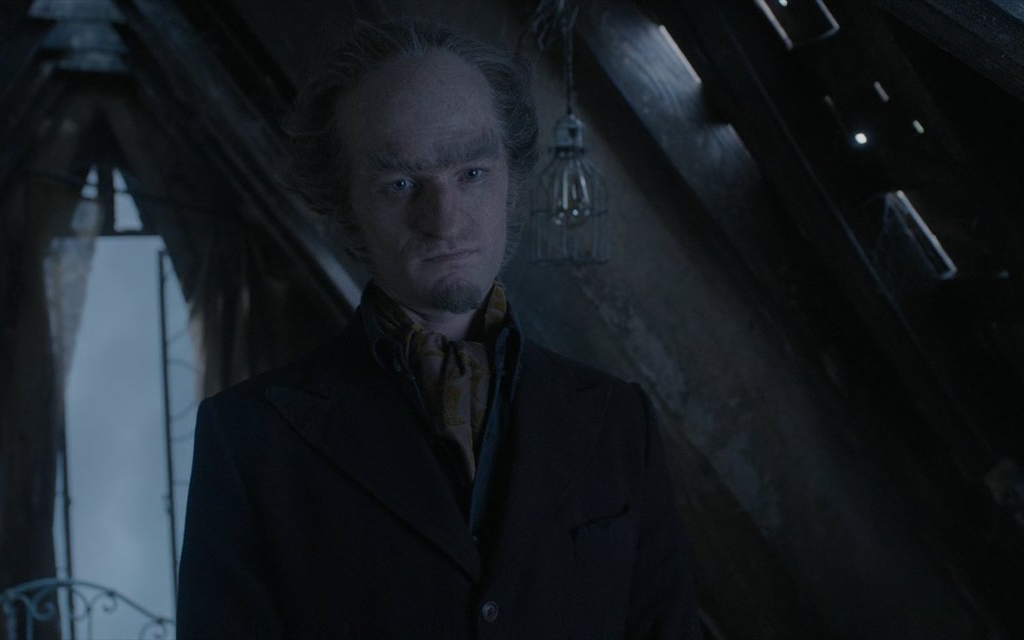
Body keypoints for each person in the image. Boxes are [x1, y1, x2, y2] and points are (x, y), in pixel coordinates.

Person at [176, 19, 700, 639]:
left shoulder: (619, 420)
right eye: (400, 185)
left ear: (511, 181)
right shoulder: (247, 440)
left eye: (471, 173)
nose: (444, 221)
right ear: (345, 209)